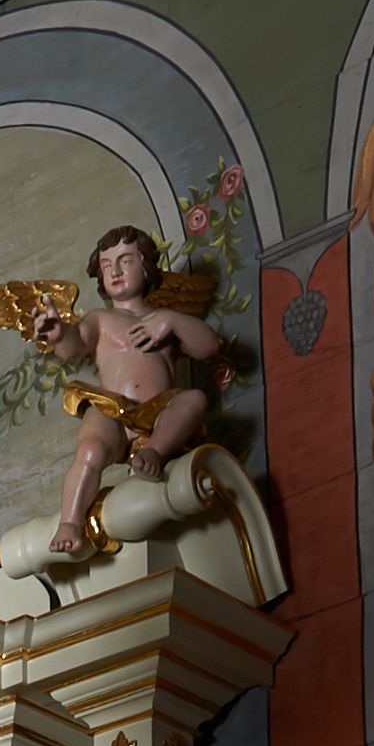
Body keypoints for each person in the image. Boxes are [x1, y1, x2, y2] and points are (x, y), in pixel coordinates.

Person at [31, 224, 222, 557]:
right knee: (90, 449)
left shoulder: (164, 320)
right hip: (114, 411)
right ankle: (70, 522)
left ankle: (154, 452)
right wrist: (60, 335)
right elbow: (76, 346)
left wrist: (170, 320)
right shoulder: (101, 319)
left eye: (126, 261)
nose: (115, 271)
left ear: (146, 267)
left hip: (159, 411)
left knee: (194, 399)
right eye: (107, 266)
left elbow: (210, 346)